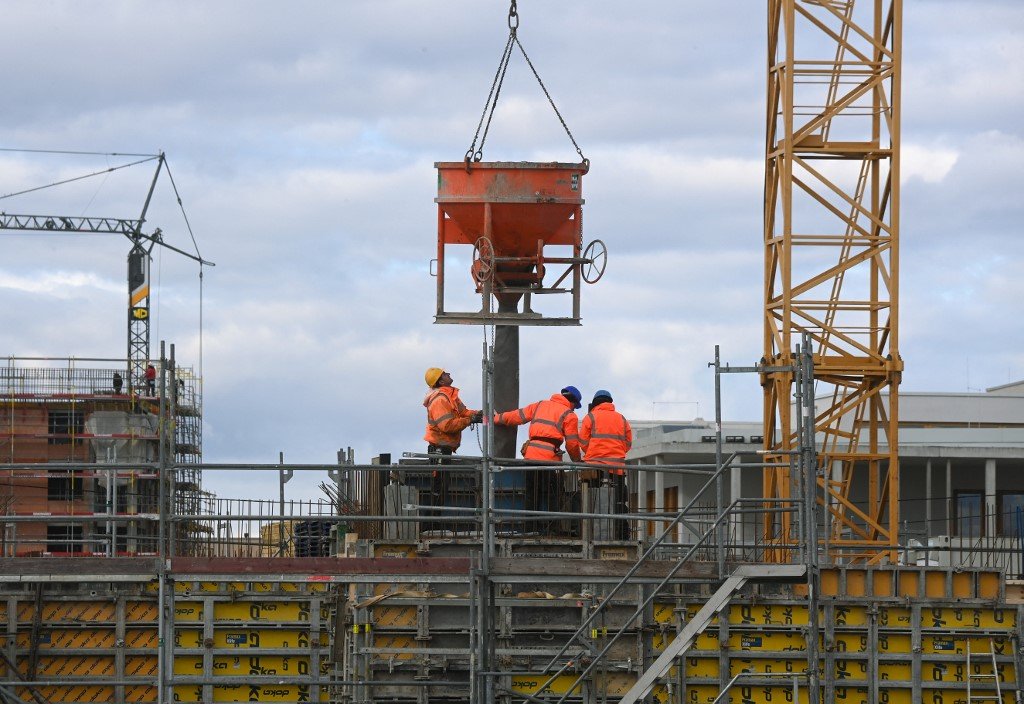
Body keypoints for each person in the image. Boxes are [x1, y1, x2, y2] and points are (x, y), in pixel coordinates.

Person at [580, 389, 633, 539]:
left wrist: (592, 452)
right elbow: (628, 443)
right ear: (610, 402)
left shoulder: (590, 417)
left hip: (595, 467)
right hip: (616, 469)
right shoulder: (621, 419)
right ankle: (622, 535)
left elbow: (582, 441)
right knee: (619, 502)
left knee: (592, 501)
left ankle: (591, 535)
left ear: (595, 402)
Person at [493, 385, 583, 463]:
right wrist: (577, 461)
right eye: (575, 407)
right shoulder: (570, 415)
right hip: (550, 460)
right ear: (573, 402)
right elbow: (572, 444)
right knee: (549, 483)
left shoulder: (540, 405)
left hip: (531, 456)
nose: (574, 409)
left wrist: (496, 418)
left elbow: (516, 416)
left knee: (530, 483)